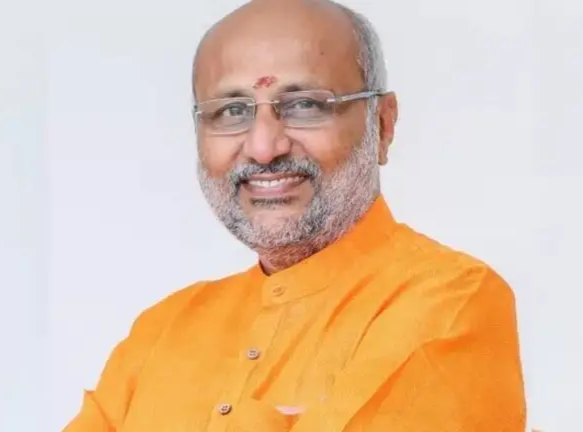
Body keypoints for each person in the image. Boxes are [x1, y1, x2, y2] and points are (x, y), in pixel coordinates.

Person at [64, 0, 526, 430]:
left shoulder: (450, 301)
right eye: (232, 111)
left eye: (306, 105)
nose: (264, 148)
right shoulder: (163, 330)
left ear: (383, 125)